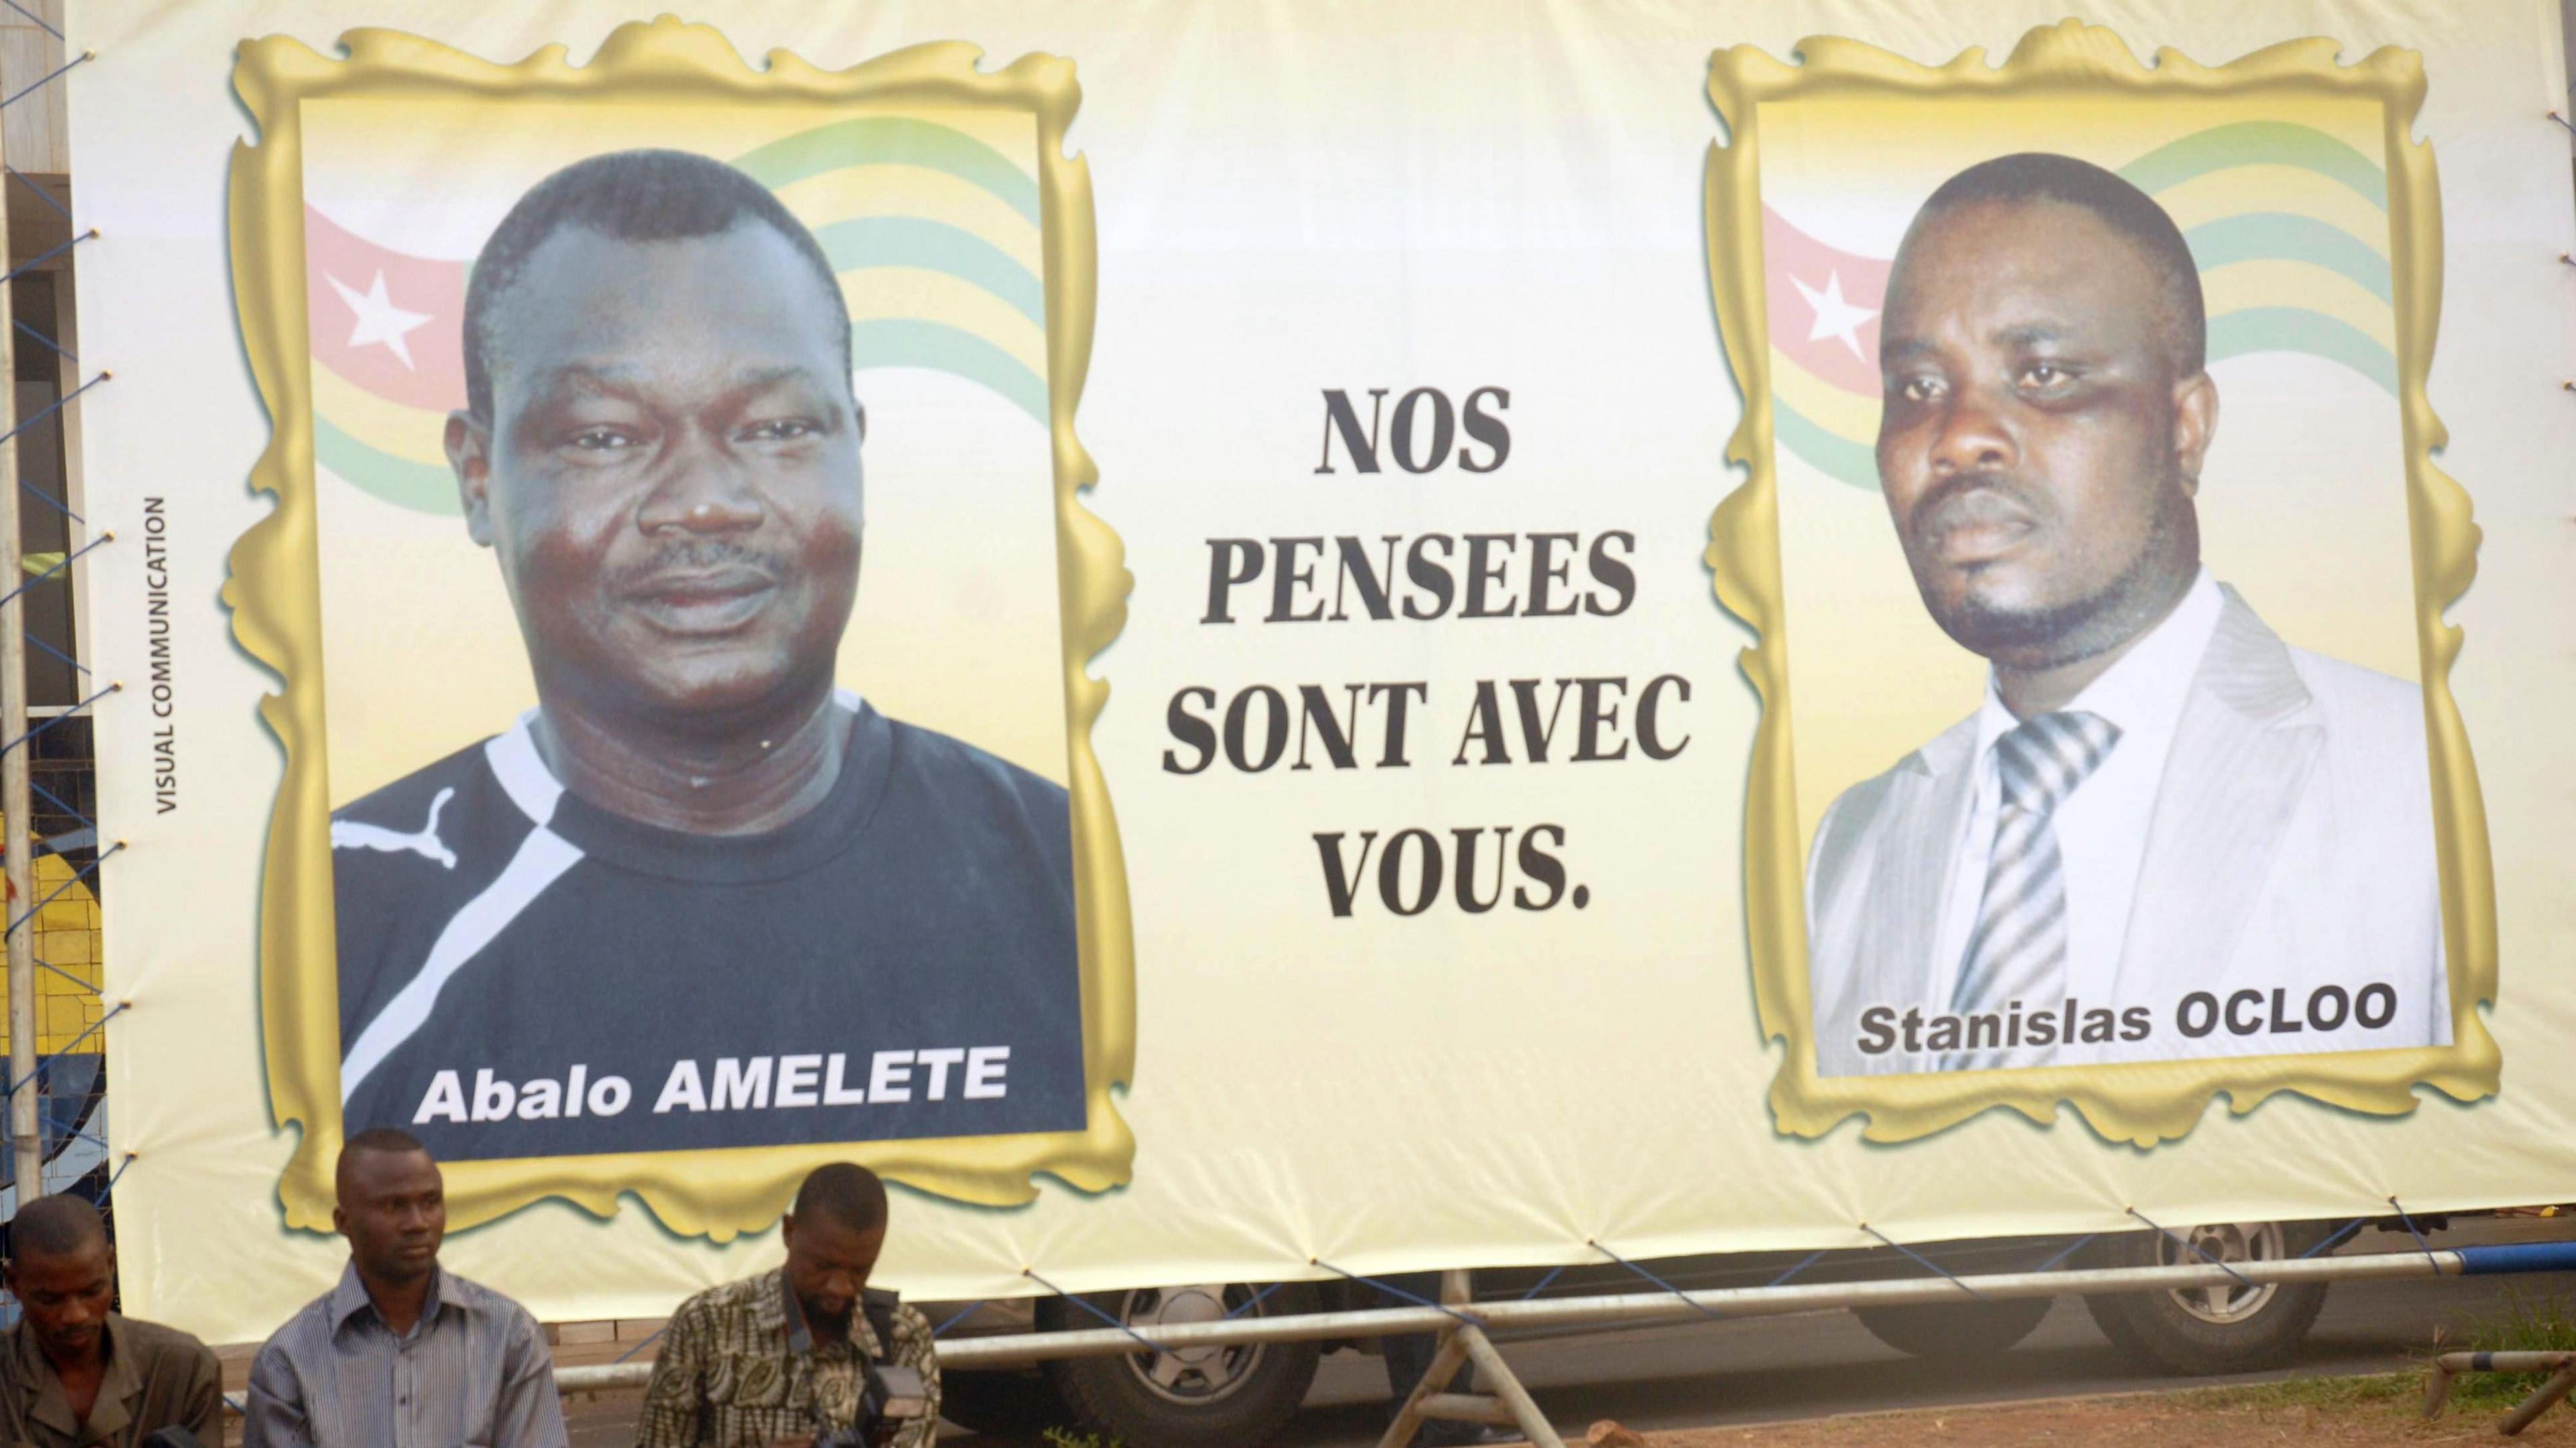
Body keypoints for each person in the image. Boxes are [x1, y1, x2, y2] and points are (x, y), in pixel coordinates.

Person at [325, 148, 1085, 1163]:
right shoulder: (345, 912)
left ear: (855, 446)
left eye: (777, 426)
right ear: (476, 476)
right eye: (604, 436)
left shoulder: (1057, 868)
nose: (704, 499)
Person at [1805, 152, 2447, 1077]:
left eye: (2046, 373)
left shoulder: (2421, 778)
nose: (1957, 436)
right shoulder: (1856, 841)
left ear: (2184, 430)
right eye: (1918, 388)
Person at [242, 1129, 567, 1448]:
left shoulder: (509, 1335)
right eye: (393, 1206)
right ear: (343, 1222)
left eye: (430, 1202)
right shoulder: (289, 1360)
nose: (418, 1223)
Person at [637, 1162, 940, 1447]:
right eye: (823, 1266)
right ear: (789, 1232)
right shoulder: (706, 1324)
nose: (841, 1287)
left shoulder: (904, 1337)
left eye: (860, 1271)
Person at [0, 1194, 221, 1446]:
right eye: (51, 1299)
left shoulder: (183, 1369)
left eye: (92, 1292)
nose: (76, 1315)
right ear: (14, 1283)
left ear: (110, 1264)